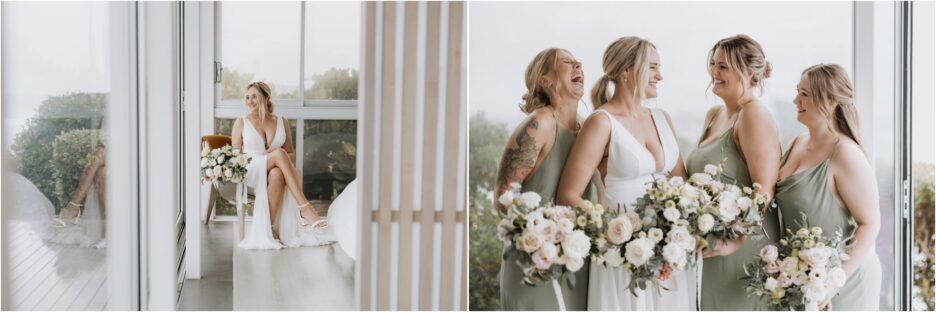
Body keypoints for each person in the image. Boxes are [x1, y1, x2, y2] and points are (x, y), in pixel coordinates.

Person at [557, 36, 693, 310]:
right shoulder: (601, 122)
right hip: (622, 254)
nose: (660, 75)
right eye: (652, 67)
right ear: (626, 71)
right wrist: (619, 237)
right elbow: (568, 195)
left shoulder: (662, 118)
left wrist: (677, 233)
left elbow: (682, 185)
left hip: (666, 253)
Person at [685, 34, 783, 310]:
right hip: (712, 244)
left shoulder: (753, 115)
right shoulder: (713, 115)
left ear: (749, 72)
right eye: (713, 64)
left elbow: (765, 189)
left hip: (743, 248)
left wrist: (735, 240)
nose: (714, 72)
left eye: (723, 66)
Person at [775, 64, 881, 310]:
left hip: (846, 280)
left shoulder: (845, 153)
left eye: (805, 94)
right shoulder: (797, 143)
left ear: (831, 101)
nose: (795, 100)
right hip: (805, 278)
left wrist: (834, 281)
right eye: (797, 91)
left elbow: (871, 223)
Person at [495, 48, 592, 310]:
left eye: (578, 62)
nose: (578, 65)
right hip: (534, 261)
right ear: (545, 80)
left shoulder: (588, 129)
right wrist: (538, 246)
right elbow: (504, 195)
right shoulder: (540, 124)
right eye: (567, 63)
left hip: (576, 260)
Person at [231, 81, 330, 250]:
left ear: (266, 97)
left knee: (277, 173)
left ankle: (270, 231)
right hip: (251, 168)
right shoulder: (241, 123)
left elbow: (290, 153)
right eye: (247, 97)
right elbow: (235, 157)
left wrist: (274, 158)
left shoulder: (281, 121)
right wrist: (273, 156)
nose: (250, 101)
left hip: (274, 168)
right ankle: (305, 208)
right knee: (279, 155)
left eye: (254, 96)